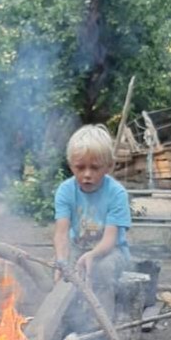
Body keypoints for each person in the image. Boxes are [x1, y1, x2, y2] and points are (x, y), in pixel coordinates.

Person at [53, 123, 131, 320]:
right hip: (78, 248)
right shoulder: (65, 191)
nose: (87, 174)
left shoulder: (116, 193)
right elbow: (61, 233)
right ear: (71, 165)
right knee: (63, 273)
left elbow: (111, 239)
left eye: (94, 168)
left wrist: (93, 255)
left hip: (110, 252)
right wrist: (62, 261)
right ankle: (68, 322)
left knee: (101, 269)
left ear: (108, 166)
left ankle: (102, 326)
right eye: (80, 167)